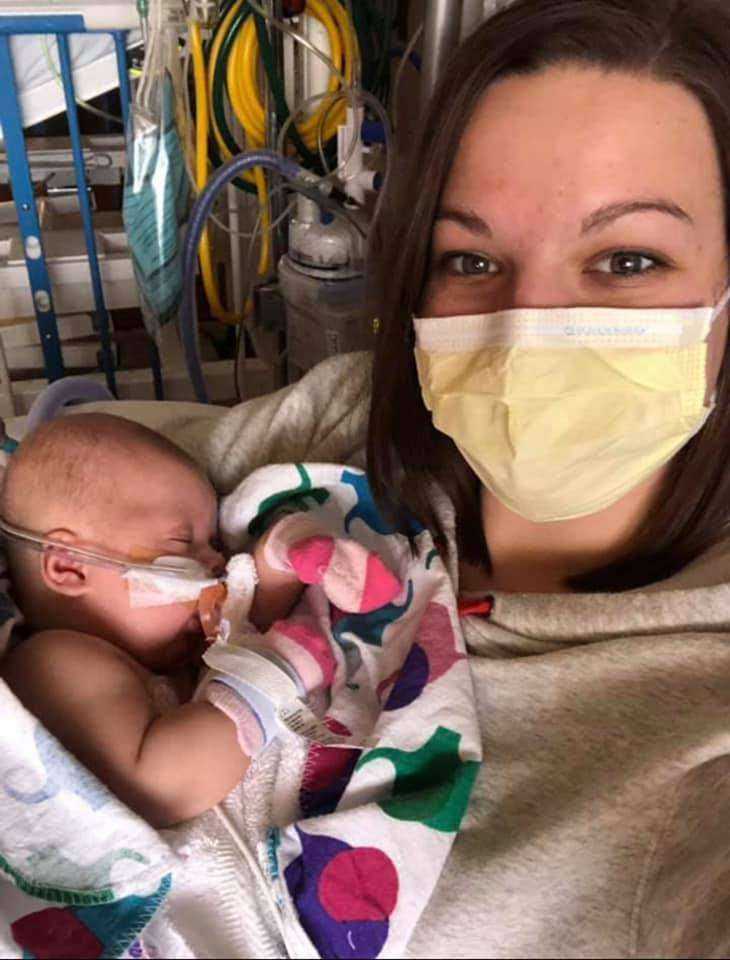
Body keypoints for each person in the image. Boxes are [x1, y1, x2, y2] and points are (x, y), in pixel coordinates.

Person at [148, 0, 730, 956]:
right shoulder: (351, 419)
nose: (527, 326)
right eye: (471, 258)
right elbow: (80, 483)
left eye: (627, 260)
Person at [0, 413, 400, 828]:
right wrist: (278, 672)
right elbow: (155, 789)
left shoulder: (154, 648)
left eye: (213, 543)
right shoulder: (54, 662)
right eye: (181, 542)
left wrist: (283, 558)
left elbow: (237, 639)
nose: (216, 563)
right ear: (69, 567)